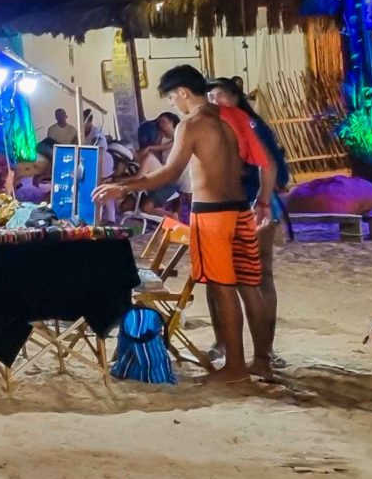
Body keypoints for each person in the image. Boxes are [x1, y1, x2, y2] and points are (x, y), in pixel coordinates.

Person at [95, 65, 276, 382]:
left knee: (224, 289)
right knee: (250, 285)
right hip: (240, 210)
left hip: (212, 213)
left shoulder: (191, 124)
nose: (173, 106)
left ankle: (235, 368)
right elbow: (264, 161)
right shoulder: (231, 116)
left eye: (171, 99)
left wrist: (124, 187)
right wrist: (262, 200)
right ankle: (262, 360)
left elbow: (168, 173)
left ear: (182, 92)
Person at [210, 76, 287, 368]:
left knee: (257, 278)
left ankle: (264, 349)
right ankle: (226, 343)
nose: (215, 103)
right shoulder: (219, 128)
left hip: (252, 209)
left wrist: (263, 202)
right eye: (211, 98)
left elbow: (273, 168)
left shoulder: (250, 126)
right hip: (229, 211)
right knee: (218, 280)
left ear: (235, 97)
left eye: (219, 96)